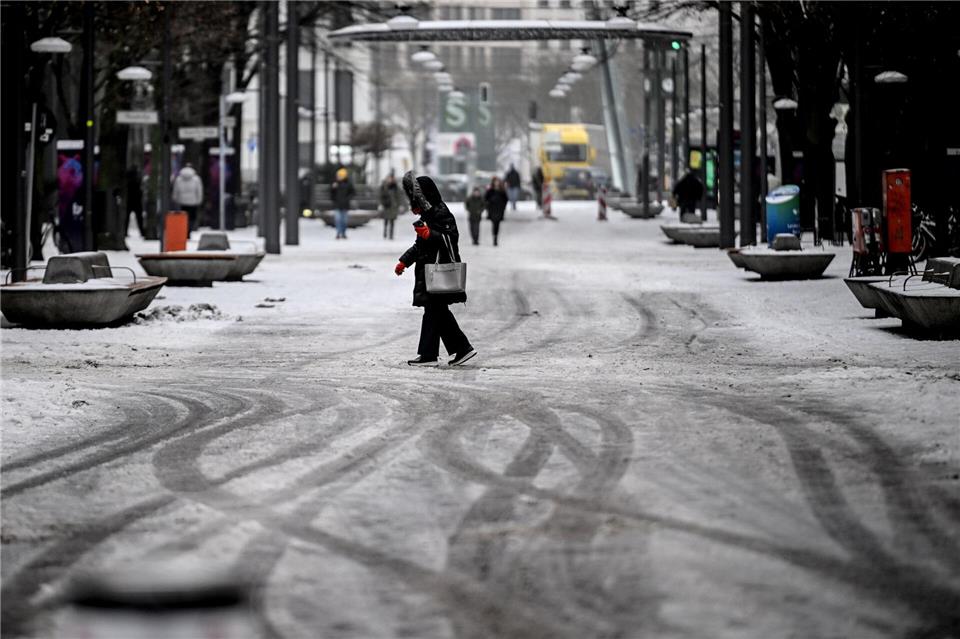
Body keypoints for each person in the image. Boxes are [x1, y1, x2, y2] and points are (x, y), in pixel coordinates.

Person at [394, 171, 476, 367]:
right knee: (435, 312)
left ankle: (453, 350)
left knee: (435, 312)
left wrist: (430, 234)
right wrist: (404, 261)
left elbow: (450, 238)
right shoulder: (428, 214)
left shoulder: (441, 211)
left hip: (439, 272)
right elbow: (419, 246)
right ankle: (441, 352)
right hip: (429, 272)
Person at [171, 163, 203, 234]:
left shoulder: (178, 179)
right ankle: (189, 230)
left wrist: (175, 198)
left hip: (182, 201)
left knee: (183, 217)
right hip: (193, 201)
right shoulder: (196, 179)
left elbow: (176, 190)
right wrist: (199, 200)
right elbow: (199, 190)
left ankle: (184, 230)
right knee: (192, 217)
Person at [330, 167, 355, 239]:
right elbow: (331, 194)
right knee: (338, 220)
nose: (338, 177)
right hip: (337, 205)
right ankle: (338, 233)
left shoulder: (348, 183)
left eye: (340, 175)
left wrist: (347, 199)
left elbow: (353, 192)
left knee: (344, 221)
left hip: (345, 205)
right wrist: (333, 189)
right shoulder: (335, 183)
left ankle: (343, 233)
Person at [484, 176, 508, 247]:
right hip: (492, 209)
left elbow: (505, 199)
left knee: (497, 224)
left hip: (499, 209)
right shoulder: (490, 190)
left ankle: (496, 237)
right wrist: (489, 204)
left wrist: (503, 207)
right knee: (494, 223)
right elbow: (486, 199)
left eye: (498, 181)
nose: (496, 183)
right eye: (495, 181)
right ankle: (494, 238)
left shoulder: (502, 191)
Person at [379, 170, 401, 239]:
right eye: (389, 178)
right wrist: (381, 204)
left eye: (391, 178)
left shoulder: (395, 186)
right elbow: (380, 196)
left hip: (393, 206)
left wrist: (399, 204)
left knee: (392, 221)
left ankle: (391, 235)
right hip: (386, 205)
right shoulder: (384, 186)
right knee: (386, 220)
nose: (390, 179)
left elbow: (399, 196)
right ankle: (385, 232)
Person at [125, 166, 144, 238]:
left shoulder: (127, 180)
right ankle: (142, 232)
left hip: (129, 200)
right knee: (139, 218)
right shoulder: (137, 180)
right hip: (136, 201)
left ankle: (125, 232)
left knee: (126, 218)